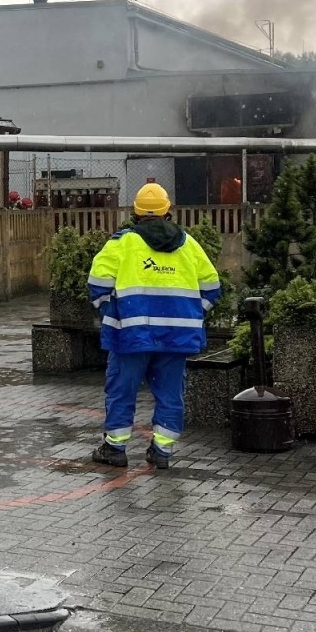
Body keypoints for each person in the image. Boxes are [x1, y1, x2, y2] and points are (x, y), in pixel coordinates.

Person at [87, 182, 221, 469]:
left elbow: (97, 285)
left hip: (131, 335)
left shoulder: (122, 242)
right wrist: (191, 316)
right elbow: (212, 288)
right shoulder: (189, 244)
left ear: (135, 212)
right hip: (177, 337)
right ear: (167, 211)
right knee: (170, 393)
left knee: (122, 389)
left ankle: (116, 449)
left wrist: (113, 313)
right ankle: (161, 452)